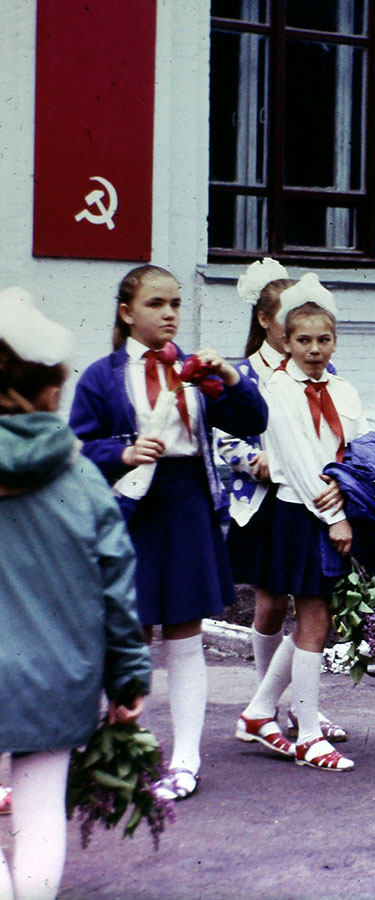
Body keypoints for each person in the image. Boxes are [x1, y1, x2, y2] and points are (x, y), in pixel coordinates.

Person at [69, 266, 267, 802]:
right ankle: (132, 752)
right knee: (134, 638)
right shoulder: (102, 376)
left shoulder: (194, 369)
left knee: (185, 635)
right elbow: (78, 448)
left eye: (176, 303)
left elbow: (252, 418)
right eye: (157, 303)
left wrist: (229, 377)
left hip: (186, 507)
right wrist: (123, 452)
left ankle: (186, 760)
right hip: (129, 513)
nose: (170, 313)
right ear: (127, 312)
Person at [0, 289, 151, 900]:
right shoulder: (82, 475)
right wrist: (128, 679)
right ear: (52, 390)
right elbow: (115, 588)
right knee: (39, 817)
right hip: (55, 674)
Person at [235, 274, 364, 773]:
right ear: (285, 341)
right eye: (304, 340)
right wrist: (335, 516)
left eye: (324, 340)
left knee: (317, 619)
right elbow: (293, 458)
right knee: (313, 620)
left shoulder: (343, 388)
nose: (314, 350)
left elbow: (360, 445)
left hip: (333, 506)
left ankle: (260, 710)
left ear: (335, 341)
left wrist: (352, 490)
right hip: (302, 513)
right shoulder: (278, 390)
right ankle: (308, 734)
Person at [217, 259, 347, 744]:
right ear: (268, 322)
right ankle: (265, 703)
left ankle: (292, 706)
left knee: (313, 603)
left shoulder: (320, 367)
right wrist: (256, 461)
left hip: (308, 497)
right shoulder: (245, 372)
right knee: (272, 604)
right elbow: (224, 441)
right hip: (262, 502)